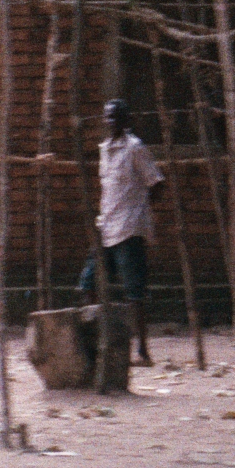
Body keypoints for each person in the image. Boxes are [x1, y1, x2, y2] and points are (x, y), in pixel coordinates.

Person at [78, 102, 164, 366]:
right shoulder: (104, 150)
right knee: (87, 283)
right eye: (107, 117)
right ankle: (92, 342)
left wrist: (139, 209)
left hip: (128, 229)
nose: (111, 121)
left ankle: (142, 351)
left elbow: (156, 182)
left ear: (125, 120)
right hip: (106, 227)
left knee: (134, 292)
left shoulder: (134, 148)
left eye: (116, 117)